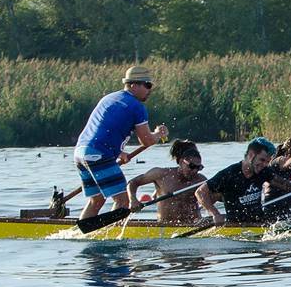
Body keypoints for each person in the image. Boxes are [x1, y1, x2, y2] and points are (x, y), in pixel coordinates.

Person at [72, 65, 168, 222]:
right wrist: (159, 134)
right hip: (98, 154)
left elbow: (105, 128)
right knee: (123, 200)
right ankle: (110, 238)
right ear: (133, 85)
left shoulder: (109, 98)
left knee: (96, 201)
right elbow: (147, 140)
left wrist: (119, 152)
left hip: (81, 153)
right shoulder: (137, 107)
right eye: (147, 85)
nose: (150, 90)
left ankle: (82, 232)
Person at [196, 137, 291, 225]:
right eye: (262, 160)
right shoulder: (229, 174)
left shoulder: (264, 172)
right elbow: (200, 192)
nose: (265, 165)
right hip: (235, 227)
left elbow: (286, 185)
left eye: (267, 162)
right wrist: (215, 214)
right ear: (250, 155)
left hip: (258, 222)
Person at [124, 139, 205, 226]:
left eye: (199, 167)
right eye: (192, 166)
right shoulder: (161, 174)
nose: (195, 170)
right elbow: (133, 182)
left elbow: (217, 196)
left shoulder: (200, 180)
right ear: (181, 161)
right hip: (165, 227)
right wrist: (133, 200)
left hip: (194, 225)